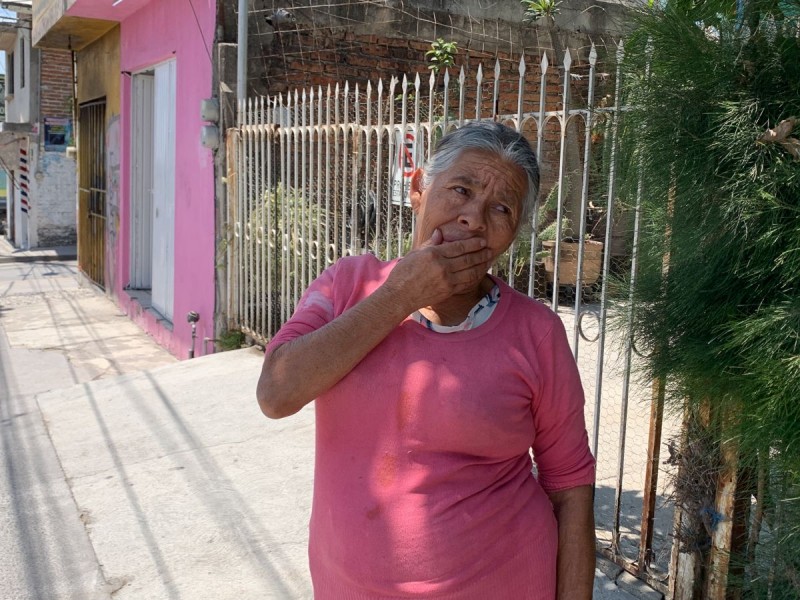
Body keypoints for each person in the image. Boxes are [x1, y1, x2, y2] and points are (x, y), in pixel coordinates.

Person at [257, 121, 596, 600]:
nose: (474, 218)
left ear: (514, 232)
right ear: (419, 188)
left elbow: (571, 487)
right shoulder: (347, 286)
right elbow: (275, 393)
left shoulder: (535, 332)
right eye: (461, 189)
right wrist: (401, 295)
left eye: (501, 209)